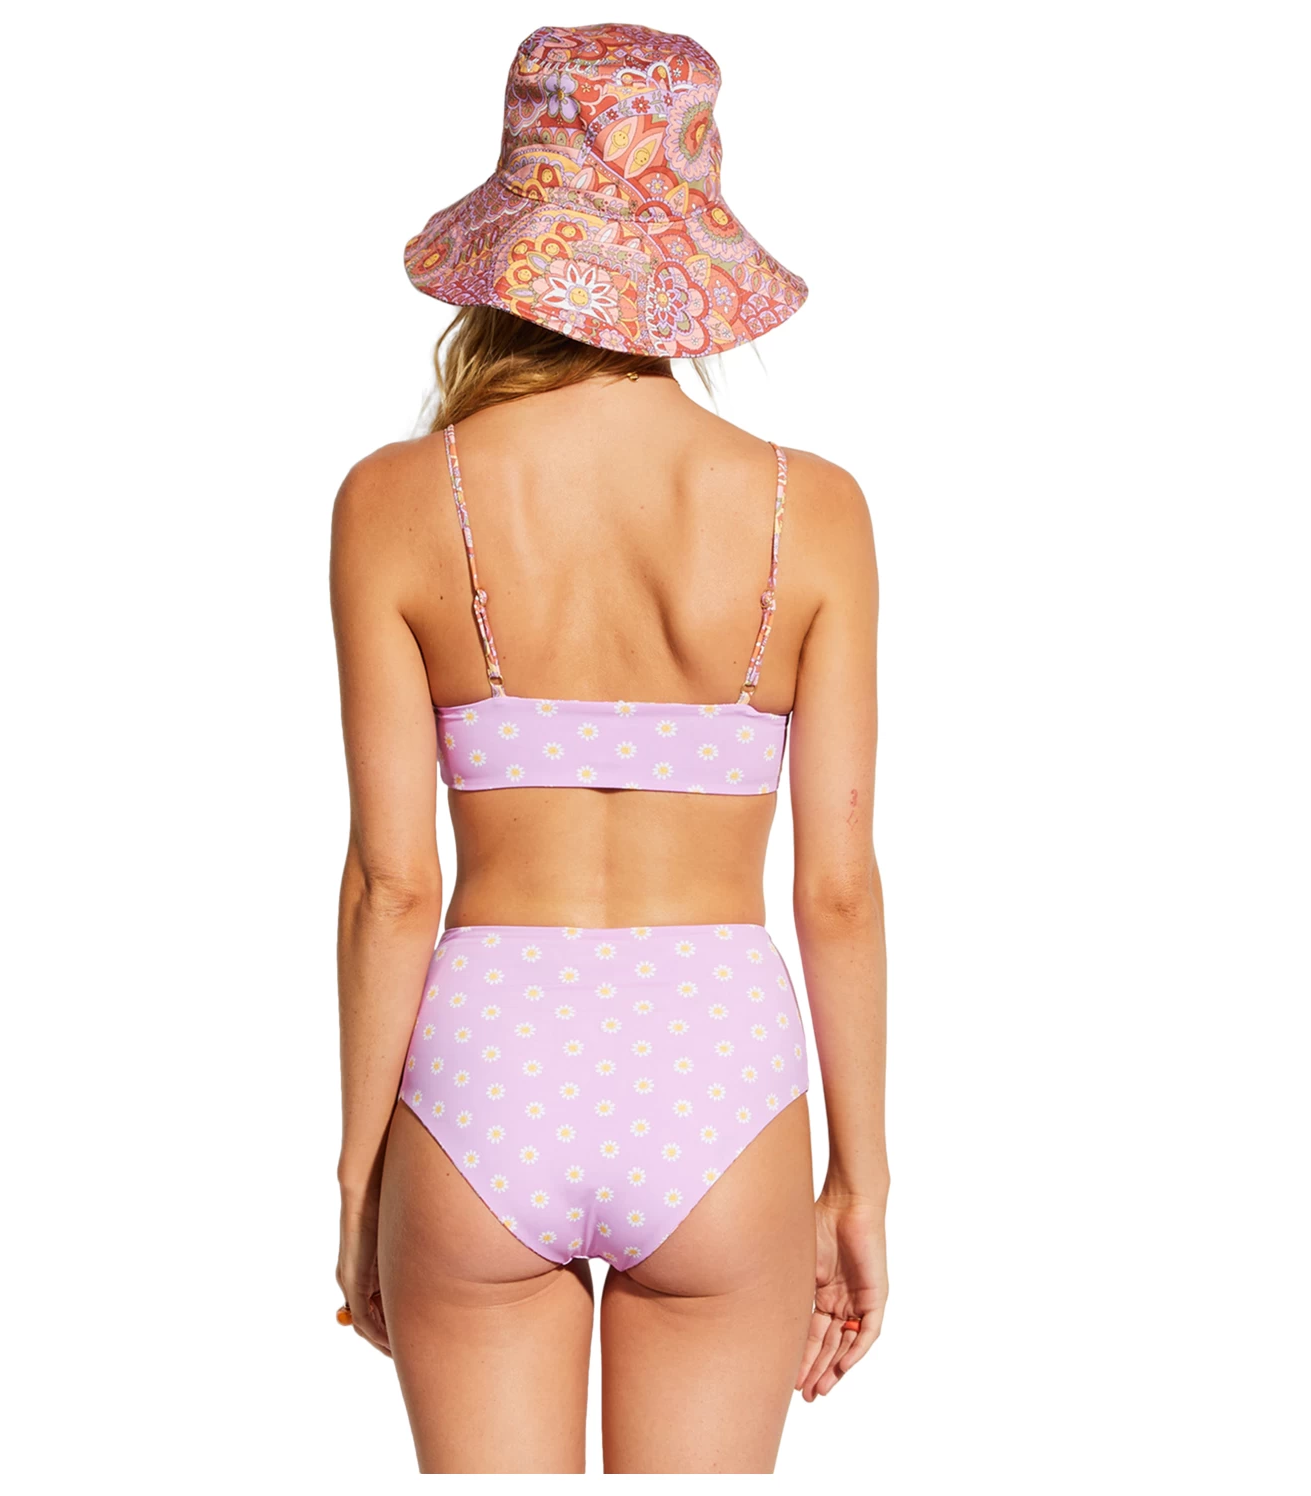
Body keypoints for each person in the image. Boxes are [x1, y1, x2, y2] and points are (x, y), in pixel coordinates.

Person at [330, 23, 887, 1474]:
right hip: (719, 1066)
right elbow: (836, 890)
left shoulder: (393, 502)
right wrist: (862, 1179)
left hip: (481, 1070)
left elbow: (393, 884)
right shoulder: (812, 511)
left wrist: (359, 1173)